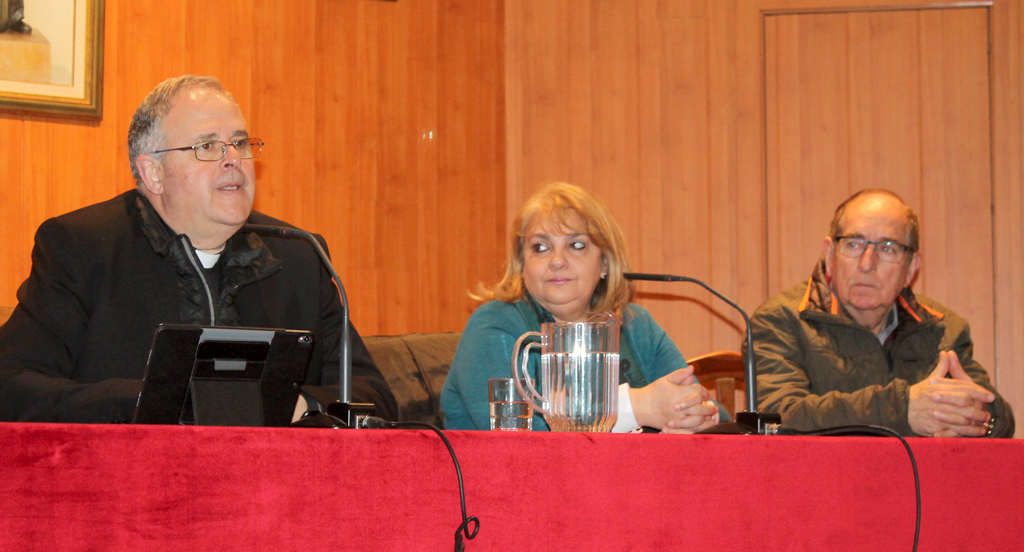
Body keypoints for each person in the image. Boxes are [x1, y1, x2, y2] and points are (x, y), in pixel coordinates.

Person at [0, 75, 396, 423]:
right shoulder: (84, 248)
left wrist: (301, 405)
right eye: (207, 146)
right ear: (153, 173)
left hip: (270, 491)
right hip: (129, 487)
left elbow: (373, 396)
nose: (234, 160)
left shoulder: (298, 257)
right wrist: (153, 401)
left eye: (239, 142)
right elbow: (12, 386)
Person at [441, 182, 726, 432]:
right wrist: (633, 408)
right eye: (540, 247)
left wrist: (690, 421)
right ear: (522, 265)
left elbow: (711, 413)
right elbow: (523, 443)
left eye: (576, 245)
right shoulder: (494, 325)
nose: (557, 260)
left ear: (604, 263)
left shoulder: (634, 324)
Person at [751, 189, 1014, 437]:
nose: (867, 264)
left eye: (887, 248)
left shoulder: (941, 329)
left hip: (917, 482)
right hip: (819, 479)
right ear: (830, 254)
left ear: (911, 268)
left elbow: (998, 420)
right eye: (853, 245)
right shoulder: (780, 321)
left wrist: (975, 420)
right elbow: (774, 420)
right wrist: (901, 409)